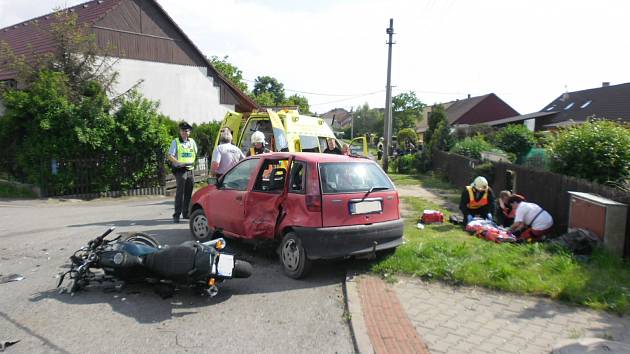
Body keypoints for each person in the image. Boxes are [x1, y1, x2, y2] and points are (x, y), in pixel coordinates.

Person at [168, 122, 198, 223]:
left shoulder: (192, 142)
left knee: (189, 192)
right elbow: (170, 156)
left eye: (187, 131)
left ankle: (186, 213)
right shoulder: (175, 142)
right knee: (180, 193)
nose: (185, 132)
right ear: (180, 132)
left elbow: (195, 153)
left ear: (189, 132)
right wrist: (178, 162)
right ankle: (176, 215)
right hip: (180, 170)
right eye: (184, 131)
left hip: (190, 169)